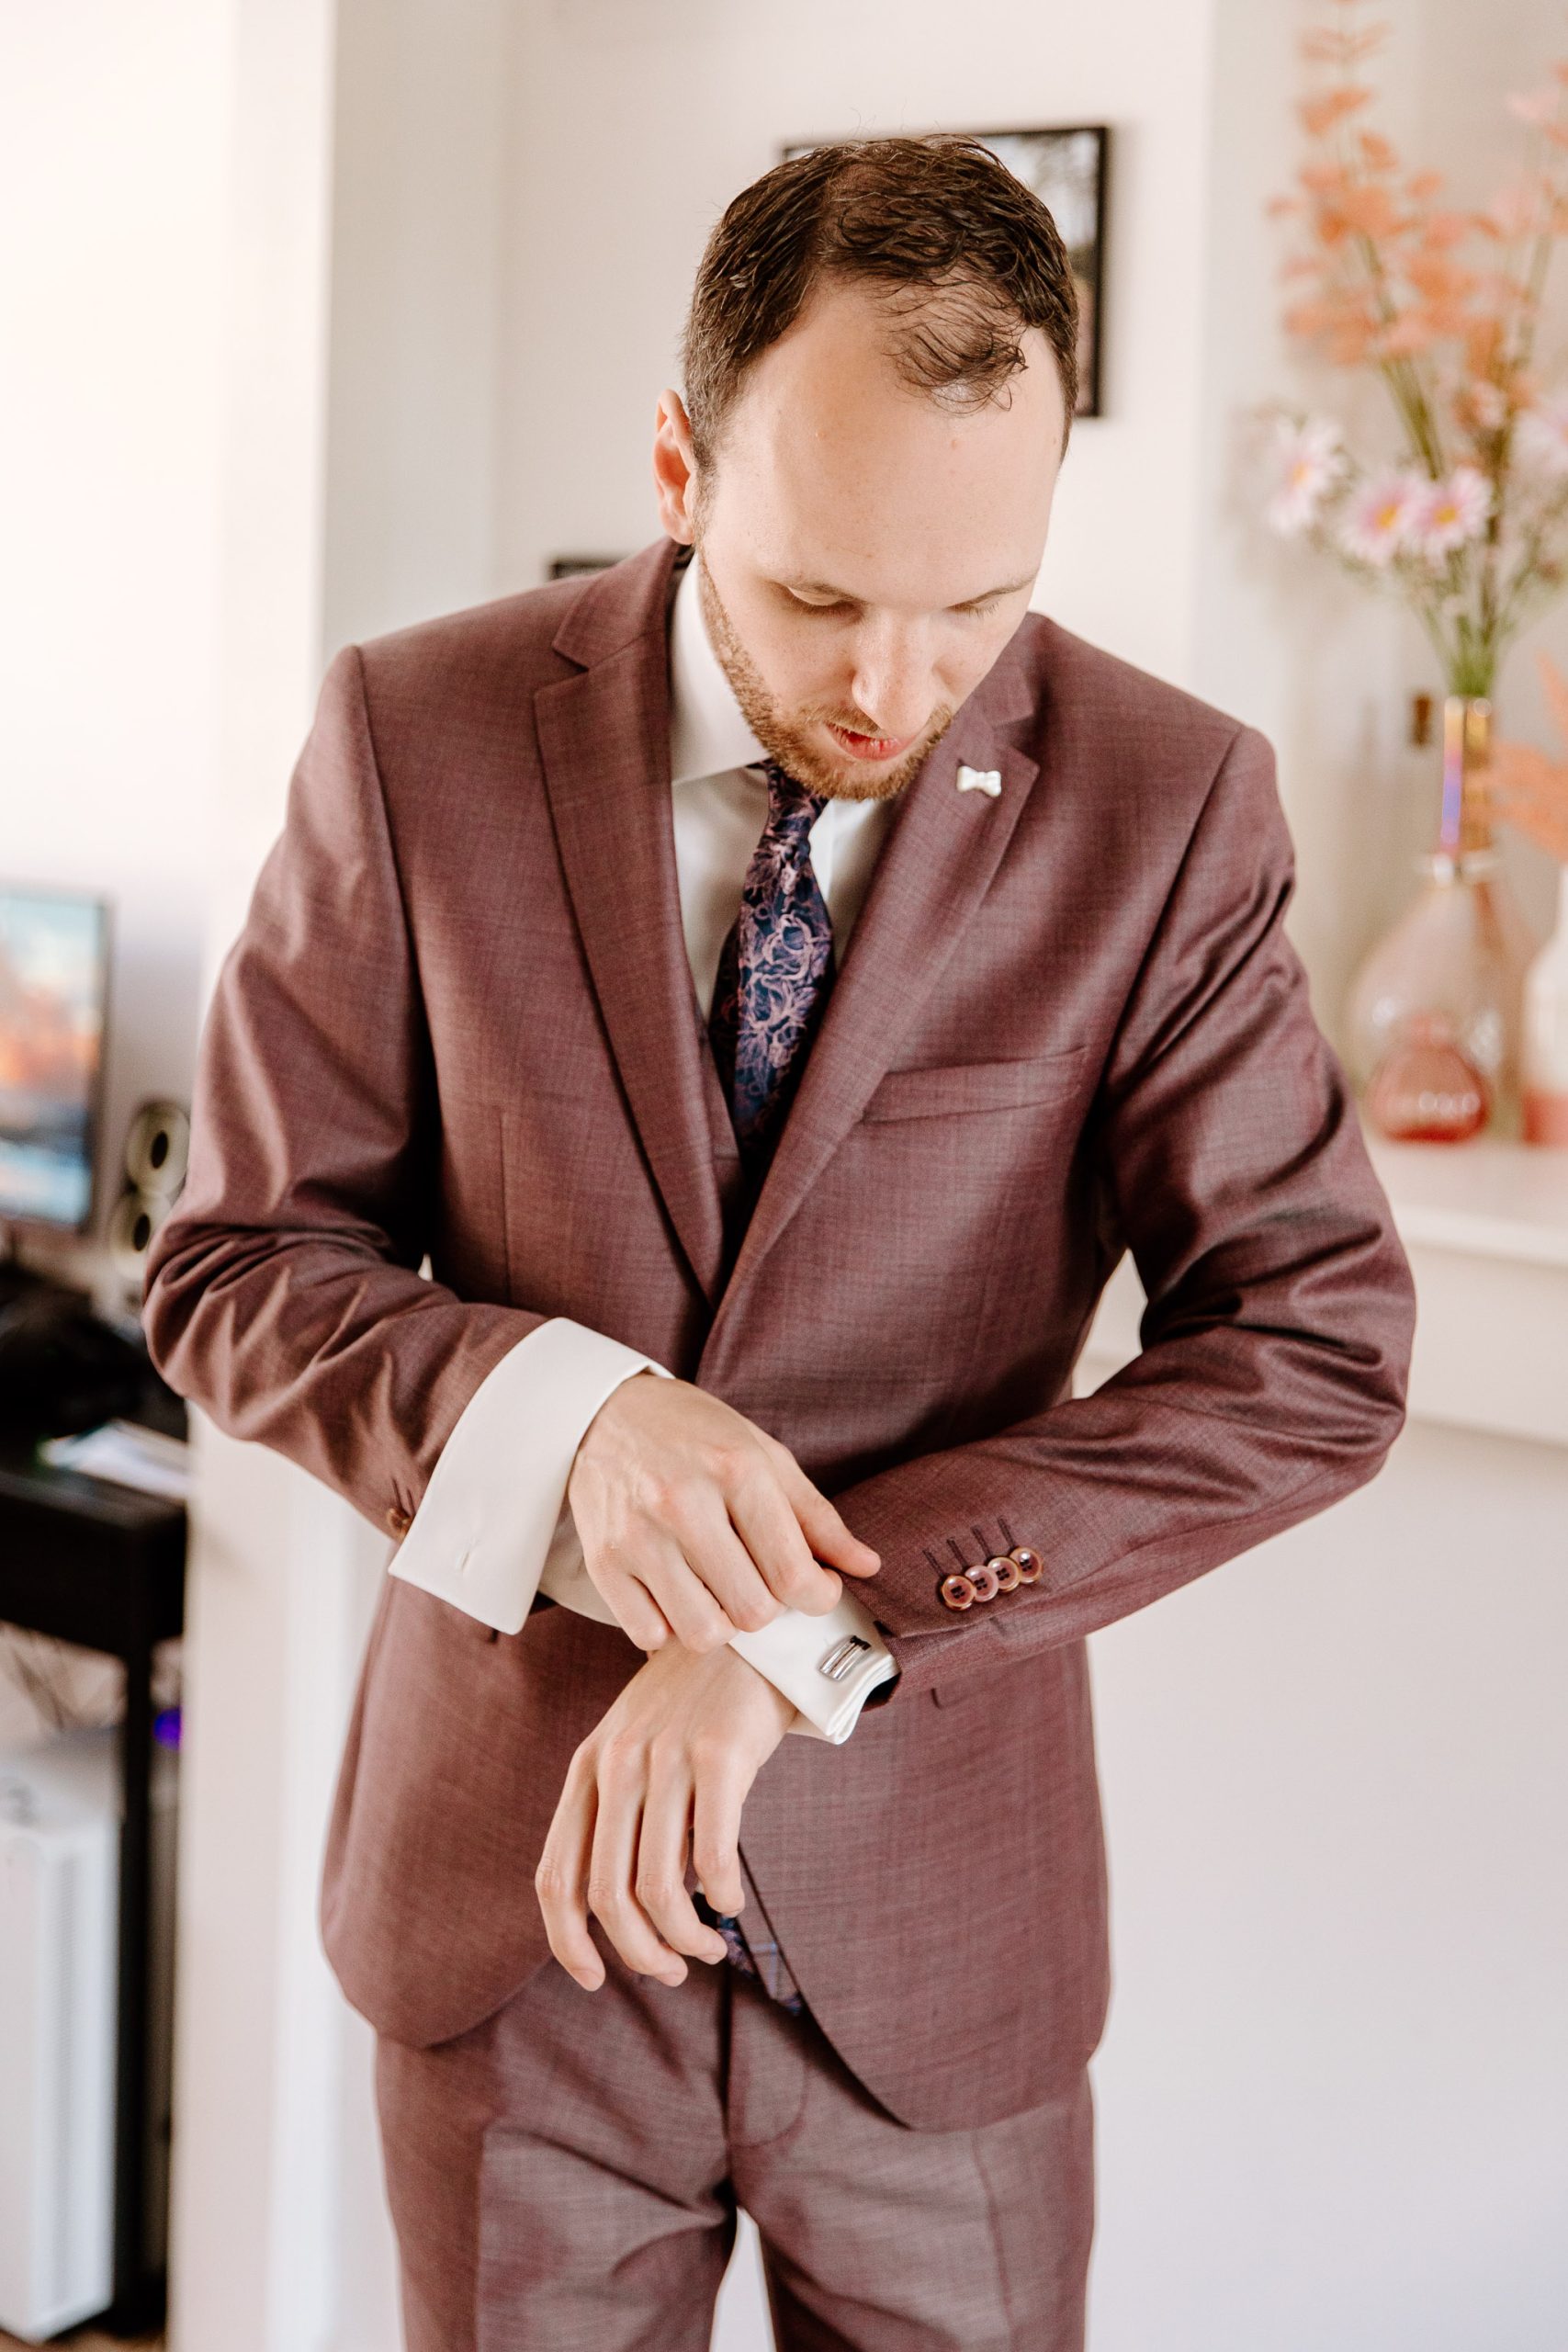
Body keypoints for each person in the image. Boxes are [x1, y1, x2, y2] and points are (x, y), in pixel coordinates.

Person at [141, 133, 1416, 2352]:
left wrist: (804, 1626)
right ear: (675, 461)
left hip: (940, 1960)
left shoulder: (1167, 800)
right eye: (823, 595)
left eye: (979, 602)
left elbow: (1312, 1348)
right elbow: (236, 1258)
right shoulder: (412, 732)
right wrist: (568, 1422)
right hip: (504, 1943)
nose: (895, 687)